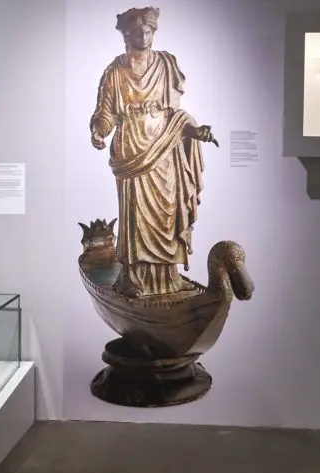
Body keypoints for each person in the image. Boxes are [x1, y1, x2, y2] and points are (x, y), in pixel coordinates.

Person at [88, 6, 218, 298]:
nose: (143, 36)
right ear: (127, 35)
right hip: (131, 147)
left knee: (166, 212)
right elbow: (105, 112)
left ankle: (168, 276)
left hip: (164, 145)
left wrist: (195, 131)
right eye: (137, 32)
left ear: (153, 33)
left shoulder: (166, 63)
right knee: (134, 215)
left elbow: (176, 112)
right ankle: (133, 276)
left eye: (148, 31)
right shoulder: (116, 69)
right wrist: (99, 131)